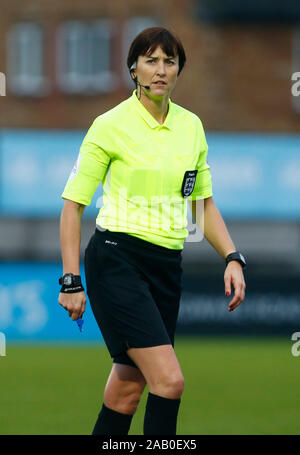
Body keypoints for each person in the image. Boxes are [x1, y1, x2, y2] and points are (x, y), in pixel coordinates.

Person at [58, 27, 246, 435]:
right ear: (134, 69)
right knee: (169, 381)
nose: (161, 70)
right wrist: (71, 281)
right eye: (151, 60)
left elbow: (200, 202)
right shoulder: (109, 125)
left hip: (165, 266)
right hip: (116, 259)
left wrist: (232, 257)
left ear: (179, 70)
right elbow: (72, 207)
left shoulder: (191, 126)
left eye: (170, 61)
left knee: (127, 391)